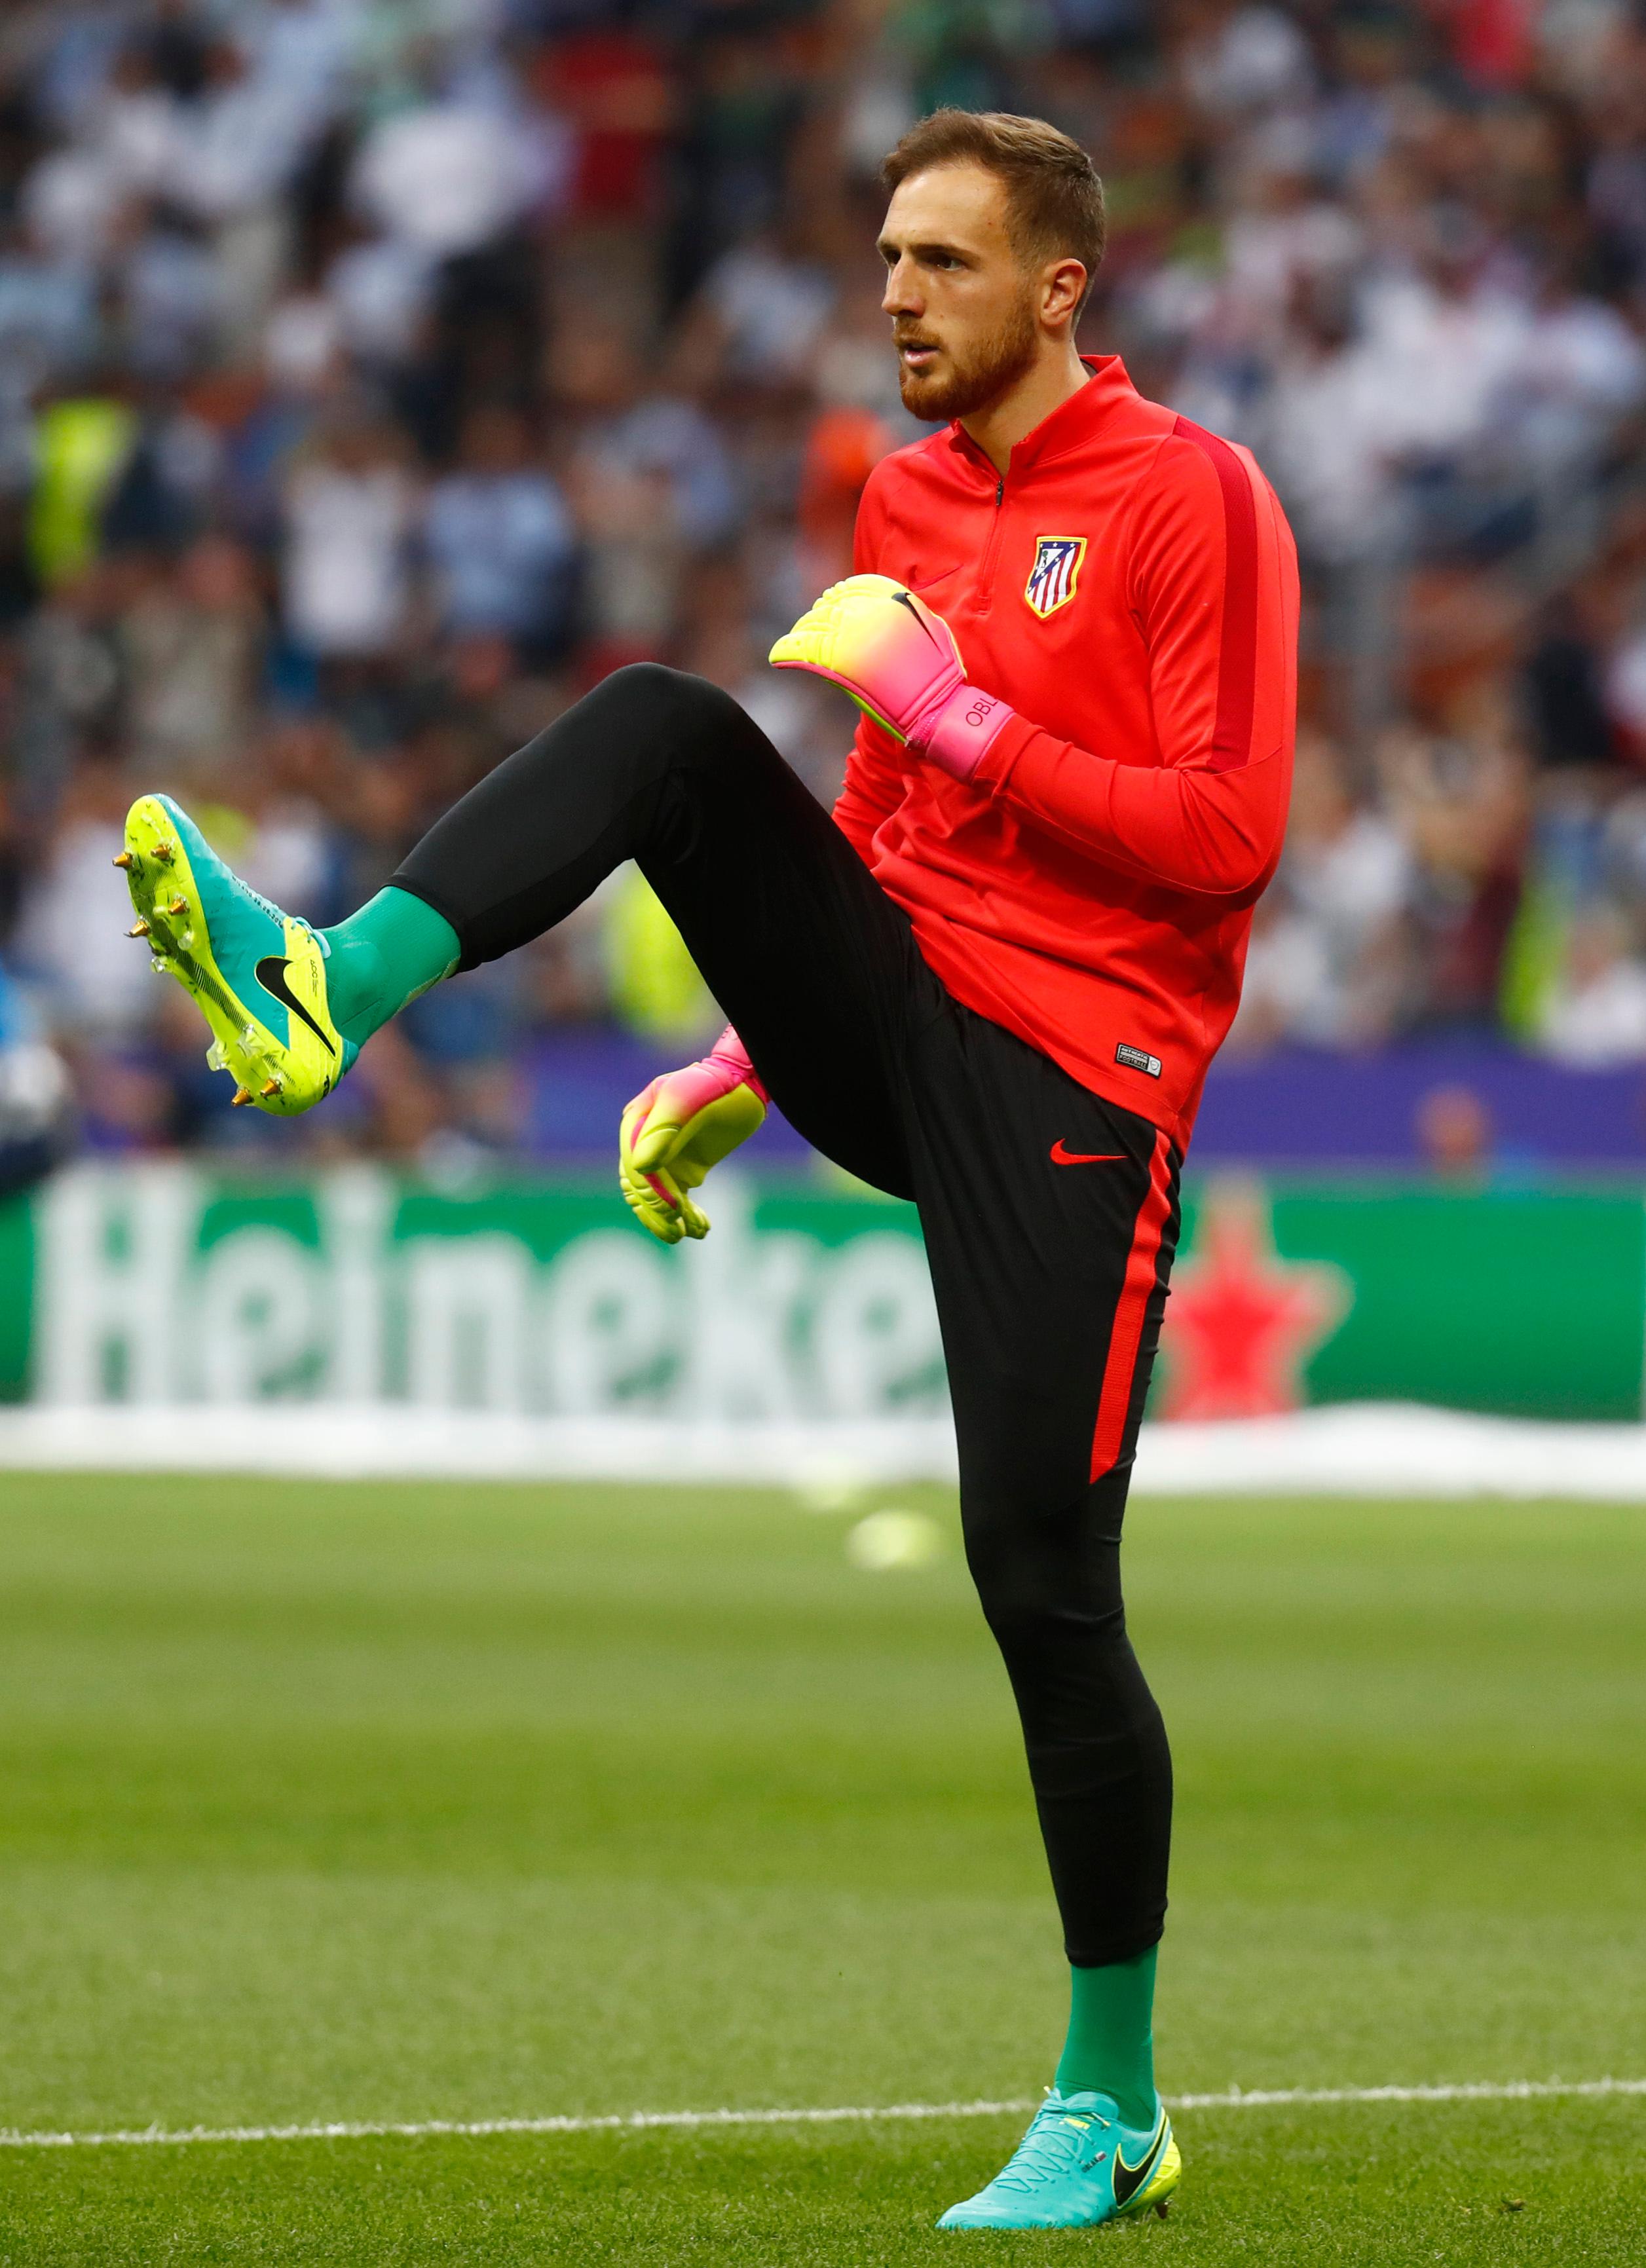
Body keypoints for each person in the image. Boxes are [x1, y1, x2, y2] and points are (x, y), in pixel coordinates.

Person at [117, 109, 1296, 2231]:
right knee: (669, 720)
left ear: (1058, 289)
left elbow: (1226, 839)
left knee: (1038, 1580)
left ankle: (1112, 2105)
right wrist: (751, 1050)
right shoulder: (906, 495)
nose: (896, 296)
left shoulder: (1190, 492)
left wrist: (966, 721)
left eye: (943, 262)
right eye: (887, 257)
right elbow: (884, 838)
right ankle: (329, 980)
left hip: (1079, 1079)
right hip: (903, 1014)